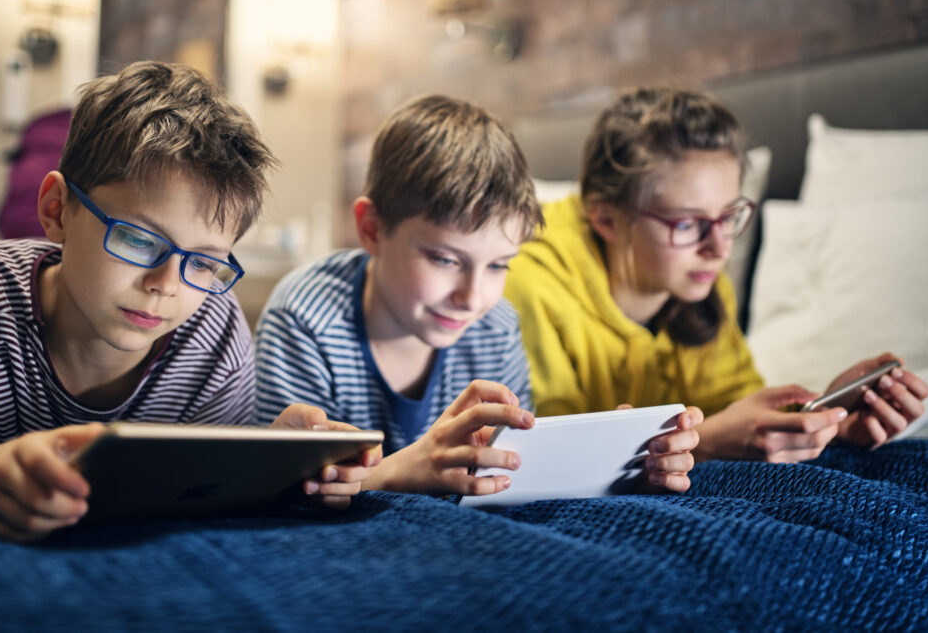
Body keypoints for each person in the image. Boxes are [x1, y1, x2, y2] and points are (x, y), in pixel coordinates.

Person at [0, 61, 380, 542]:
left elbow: (200, 496)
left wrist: (276, 465)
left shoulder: (215, 334)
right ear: (56, 210)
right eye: (138, 240)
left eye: (204, 263)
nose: (166, 284)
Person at [253, 94, 702, 497]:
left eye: (499, 265)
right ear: (373, 229)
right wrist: (400, 471)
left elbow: (504, 471)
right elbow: (280, 489)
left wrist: (619, 468)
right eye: (445, 259)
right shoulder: (306, 316)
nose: (472, 297)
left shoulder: (497, 326)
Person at [504, 87, 928, 463]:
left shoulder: (700, 284)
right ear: (607, 220)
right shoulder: (526, 282)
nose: (720, 248)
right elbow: (543, 456)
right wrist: (705, 443)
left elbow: (734, 408)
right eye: (687, 224)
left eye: (729, 216)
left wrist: (825, 419)